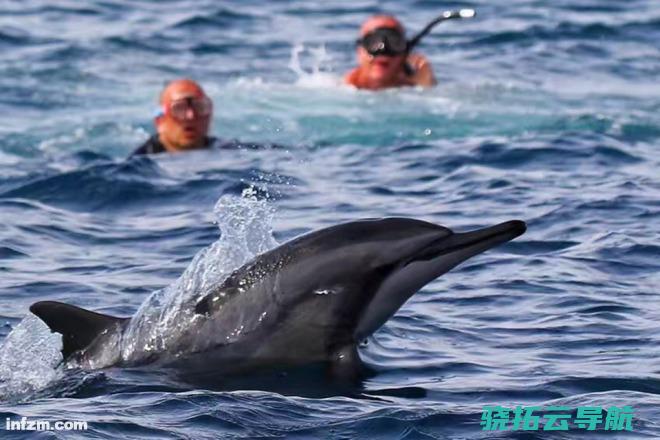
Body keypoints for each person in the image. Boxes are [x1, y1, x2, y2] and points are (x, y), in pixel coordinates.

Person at [344, 15, 436, 90]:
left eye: (394, 43)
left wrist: (426, 87)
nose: (383, 51)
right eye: (373, 43)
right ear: (359, 51)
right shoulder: (339, 89)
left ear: (405, 53)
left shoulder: (418, 88)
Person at [131, 79, 216, 156]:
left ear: (209, 117)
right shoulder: (139, 164)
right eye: (179, 108)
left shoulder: (225, 153)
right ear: (159, 120)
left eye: (199, 107)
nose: (191, 116)